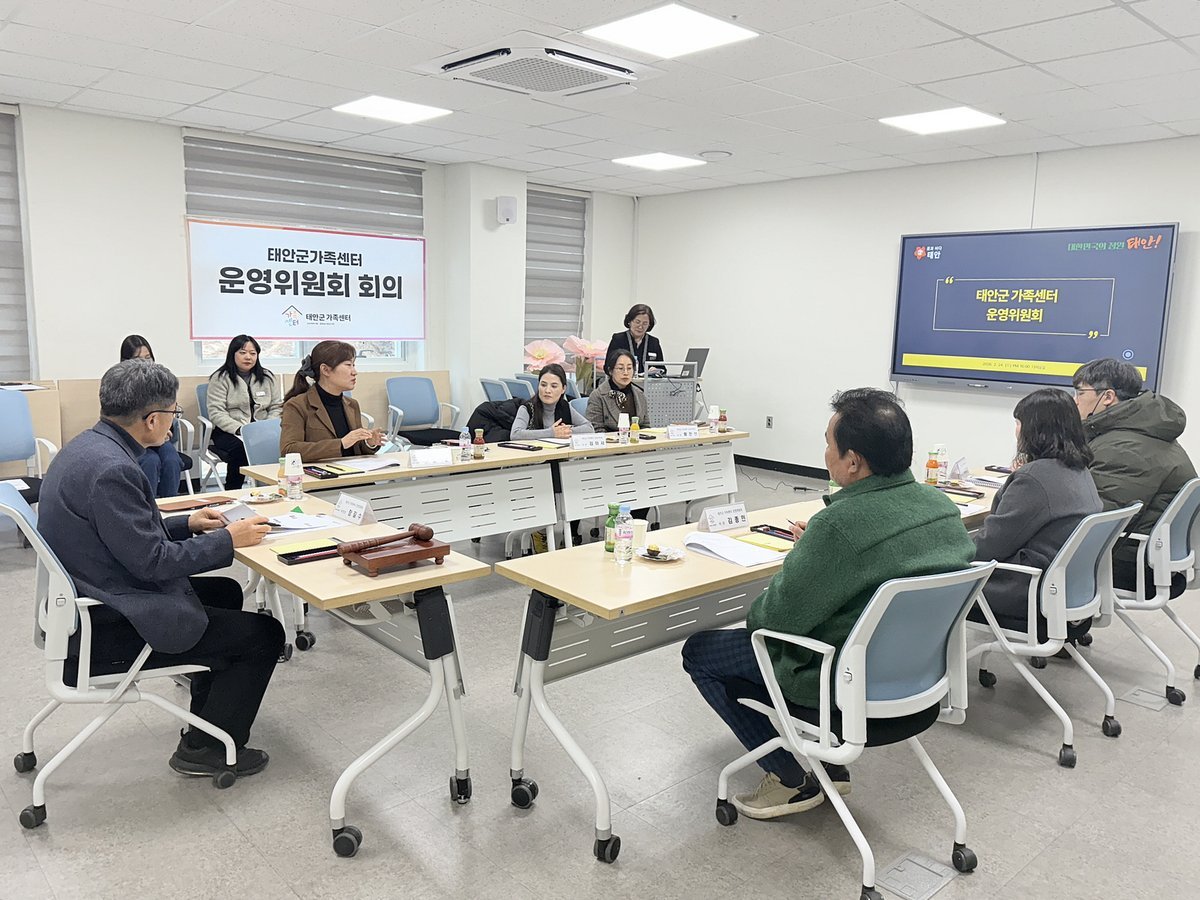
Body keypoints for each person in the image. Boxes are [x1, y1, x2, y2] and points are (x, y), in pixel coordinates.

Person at [681, 388, 974, 820]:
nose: (824, 453)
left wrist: (809, 554)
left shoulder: (838, 526)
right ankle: (830, 770)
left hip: (839, 684)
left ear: (852, 461)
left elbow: (768, 622)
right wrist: (817, 551)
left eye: (827, 444)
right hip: (917, 684)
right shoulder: (942, 507)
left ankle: (787, 776)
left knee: (700, 652)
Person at [37, 360, 283, 777]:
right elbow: (153, 562)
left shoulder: (88, 447)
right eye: (173, 412)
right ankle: (206, 750)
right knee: (264, 634)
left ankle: (207, 719)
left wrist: (188, 524)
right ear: (152, 419)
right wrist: (229, 539)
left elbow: (120, 533)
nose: (173, 421)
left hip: (88, 596)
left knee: (225, 592)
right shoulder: (114, 469)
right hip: (106, 624)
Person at [970, 389, 1101, 635]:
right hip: (1065, 591)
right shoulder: (1080, 470)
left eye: (1018, 423)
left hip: (1027, 592)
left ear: (1035, 430)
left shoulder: (1034, 478)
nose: (1016, 431)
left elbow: (989, 547)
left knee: (936, 578)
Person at [1072, 359, 1197, 597]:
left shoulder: (1123, 447)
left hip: (1130, 563)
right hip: (1150, 555)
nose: (1075, 401)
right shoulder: (1146, 432)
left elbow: (1096, 519)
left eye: (1080, 392)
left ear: (1107, 397)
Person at [280, 339, 384, 461]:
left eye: (354, 365)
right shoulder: (297, 405)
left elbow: (355, 449)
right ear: (325, 370)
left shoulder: (352, 404)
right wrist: (341, 443)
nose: (354, 372)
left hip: (354, 470)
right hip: (321, 472)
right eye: (348, 365)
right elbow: (289, 450)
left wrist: (369, 443)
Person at [206, 335, 282, 490]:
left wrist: (266, 427)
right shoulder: (220, 378)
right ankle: (233, 491)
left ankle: (270, 488)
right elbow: (216, 411)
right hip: (229, 430)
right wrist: (240, 429)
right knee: (240, 450)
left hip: (262, 429)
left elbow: (276, 406)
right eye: (242, 352)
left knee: (280, 443)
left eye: (253, 353)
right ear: (232, 354)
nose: (248, 357)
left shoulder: (267, 377)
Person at [119, 335, 184, 497]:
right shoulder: (120, 385)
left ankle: (170, 505)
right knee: (150, 461)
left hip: (159, 437)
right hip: (135, 441)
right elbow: (121, 421)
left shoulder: (161, 381)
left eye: (148, 358)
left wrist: (165, 429)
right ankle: (148, 506)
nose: (145, 364)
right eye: (138, 359)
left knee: (172, 460)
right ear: (126, 361)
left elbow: (169, 410)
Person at [510, 363, 594, 440]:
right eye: (543, 385)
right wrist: (551, 433)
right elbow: (515, 434)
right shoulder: (527, 408)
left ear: (563, 389)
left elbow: (589, 428)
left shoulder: (564, 406)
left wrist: (564, 431)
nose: (547, 390)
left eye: (554, 386)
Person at [586, 349, 648, 432]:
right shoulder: (598, 396)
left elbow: (646, 426)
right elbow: (595, 429)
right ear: (610, 371)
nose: (625, 373)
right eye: (620, 368)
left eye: (629, 368)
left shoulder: (639, 394)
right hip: (610, 439)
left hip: (636, 438)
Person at [608, 303, 665, 376]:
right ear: (630, 321)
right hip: (623, 380)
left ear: (649, 325)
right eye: (637, 322)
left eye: (645, 323)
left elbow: (662, 369)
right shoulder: (618, 339)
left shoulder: (654, 342)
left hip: (647, 382)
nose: (640, 327)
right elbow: (608, 366)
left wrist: (656, 370)